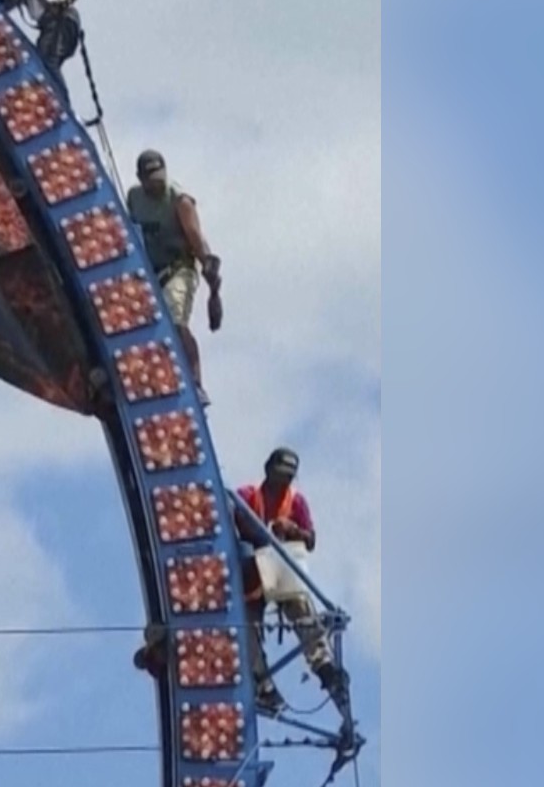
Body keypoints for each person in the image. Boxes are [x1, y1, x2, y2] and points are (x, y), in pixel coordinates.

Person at [236, 447, 352, 729]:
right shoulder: (248, 496)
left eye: (288, 477)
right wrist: (258, 532)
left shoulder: (295, 502)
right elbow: (232, 522)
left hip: (282, 570)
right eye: (280, 476)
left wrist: (292, 530)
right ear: (268, 471)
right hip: (253, 573)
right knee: (246, 628)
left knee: (300, 606)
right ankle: (263, 686)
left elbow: (310, 540)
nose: (284, 483)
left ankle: (324, 667)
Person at [123, 149, 222, 405]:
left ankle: (196, 383)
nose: (156, 184)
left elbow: (195, 237)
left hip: (180, 268)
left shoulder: (179, 199)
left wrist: (208, 269)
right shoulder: (134, 197)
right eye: (150, 180)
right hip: (150, 271)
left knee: (175, 322)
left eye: (159, 177)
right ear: (140, 178)